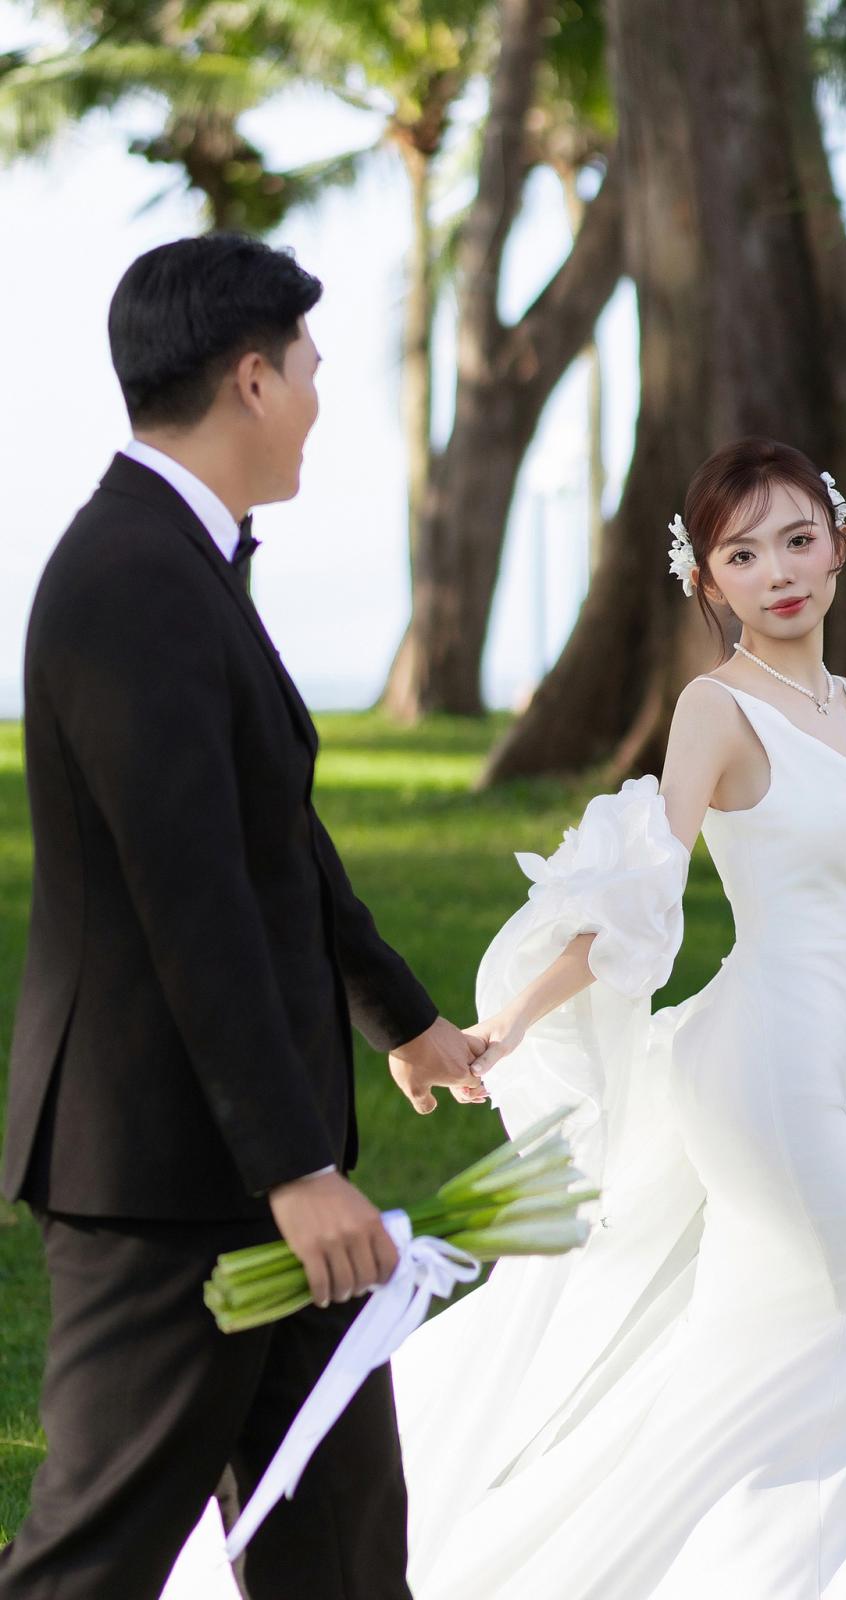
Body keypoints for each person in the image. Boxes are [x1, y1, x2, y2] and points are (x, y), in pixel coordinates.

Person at [164, 440, 846, 1599]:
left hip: (816, 1055)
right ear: (705, 580)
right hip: (755, 1073)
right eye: (740, 554)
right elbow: (638, 889)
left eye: (795, 540)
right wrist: (506, 1020)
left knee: (773, 1352)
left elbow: (835, 926)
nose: (775, 573)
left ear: (837, 545)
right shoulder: (716, 708)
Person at [0, 233, 486, 1600]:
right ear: (253, 380)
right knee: (89, 1565)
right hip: (167, 1185)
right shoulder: (129, 577)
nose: (322, 400)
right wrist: (294, 1170)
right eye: (312, 369)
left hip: (267, 1179)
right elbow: (190, 897)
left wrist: (402, 1018)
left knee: (342, 1553)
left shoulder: (186, 559)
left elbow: (275, 838)